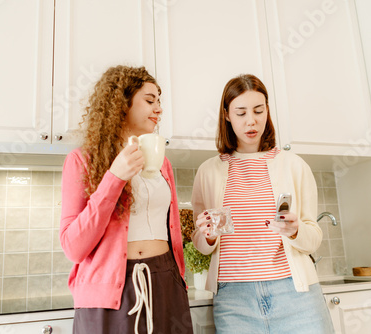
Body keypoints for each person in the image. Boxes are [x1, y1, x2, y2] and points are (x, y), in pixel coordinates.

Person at [192, 74, 334, 333]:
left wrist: (295, 230)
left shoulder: (293, 165)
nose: (251, 121)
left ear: (267, 110)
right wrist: (208, 237)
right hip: (234, 298)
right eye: (241, 112)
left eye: (259, 110)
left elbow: (313, 238)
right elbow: (201, 245)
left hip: (295, 293)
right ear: (226, 115)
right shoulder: (208, 172)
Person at [60, 65, 193, 334]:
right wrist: (115, 177)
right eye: (149, 100)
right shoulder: (81, 161)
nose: (158, 109)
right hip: (109, 292)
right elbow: (73, 247)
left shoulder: (162, 163)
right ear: (121, 103)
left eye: (159, 101)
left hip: (166, 280)